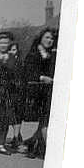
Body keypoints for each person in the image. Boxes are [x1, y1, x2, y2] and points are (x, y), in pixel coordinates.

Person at [23, 28, 57, 159]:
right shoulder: (33, 54)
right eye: (47, 38)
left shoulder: (52, 54)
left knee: (45, 121)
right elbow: (28, 73)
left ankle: (33, 143)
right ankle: (48, 150)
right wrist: (42, 77)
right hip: (38, 92)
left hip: (50, 91)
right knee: (45, 121)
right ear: (41, 38)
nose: (50, 40)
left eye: (51, 39)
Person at [7, 41, 27, 153]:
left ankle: (17, 138)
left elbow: (22, 77)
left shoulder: (19, 62)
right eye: (10, 50)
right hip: (7, 92)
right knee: (10, 116)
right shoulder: (4, 62)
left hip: (18, 92)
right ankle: (16, 138)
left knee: (17, 115)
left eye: (14, 50)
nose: (11, 52)